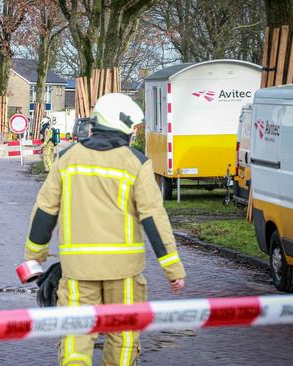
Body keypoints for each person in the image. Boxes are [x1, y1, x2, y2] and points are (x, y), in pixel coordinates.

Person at [23, 93, 186, 366]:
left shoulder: (68, 159)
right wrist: (173, 269)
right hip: (124, 272)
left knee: (76, 337)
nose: (134, 135)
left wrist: (34, 255)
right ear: (123, 125)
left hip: (78, 271)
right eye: (133, 129)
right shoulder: (137, 163)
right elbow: (153, 218)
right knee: (122, 338)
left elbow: (45, 210)